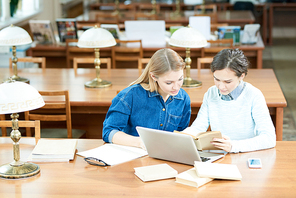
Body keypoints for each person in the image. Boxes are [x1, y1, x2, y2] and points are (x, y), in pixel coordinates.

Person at [182, 48, 276, 153]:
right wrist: (182, 136)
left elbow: (269, 138)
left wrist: (233, 146)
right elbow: (198, 127)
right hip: (218, 156)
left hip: (245, 155)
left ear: (242, 76)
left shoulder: (254, 95)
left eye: (228, 81)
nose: (221, 86)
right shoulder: (211, 93)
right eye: (217, 79)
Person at [103, 48, 191, 149]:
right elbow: (108, 132)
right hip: (135, 155)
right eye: (169, 82)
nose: (176, 87)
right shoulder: (130, 95)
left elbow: (181, 134)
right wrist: (139, 142)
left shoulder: (183, 99)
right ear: (153, 76)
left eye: (180, 79)